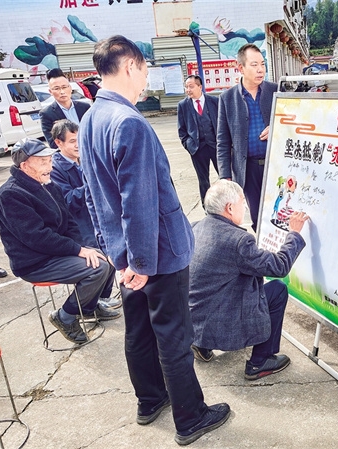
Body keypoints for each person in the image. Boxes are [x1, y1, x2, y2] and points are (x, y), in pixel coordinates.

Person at [78, 35, 230, 446]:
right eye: (145, 69)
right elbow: (139, 202)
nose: (146, 78)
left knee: (139, 331)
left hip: (126, 253)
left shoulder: (91, 118)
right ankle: (190, 417)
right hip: (155, 254)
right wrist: (141, 263)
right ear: (131, 66)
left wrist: (118, 255)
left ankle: (150, 400)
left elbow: (94, 196)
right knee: (173, 336)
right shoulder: (128, 122)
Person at [0, 139, 119, 344]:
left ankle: (89, 306)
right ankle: (65, 316)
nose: (49, 166)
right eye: (42, 162)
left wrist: (84, 247)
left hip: (55, 252)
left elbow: (69, 222)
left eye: (50, 160)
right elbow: (37, 237)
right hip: (35, 262)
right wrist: (77, 250)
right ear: (25, 165)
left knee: (106, 254)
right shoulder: (11, 194)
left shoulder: (48, 185)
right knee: (98, 268)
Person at [188, 180, 309, 380]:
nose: (244, 208)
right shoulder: (239, 241)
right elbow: (279, 267)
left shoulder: (195, 227)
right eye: (242, 202)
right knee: (277, 289)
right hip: (222, 322)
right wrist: (294, 234)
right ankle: (260, 361)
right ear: (229, 208)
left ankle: (201, 344)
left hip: (194, 320)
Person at [50, 119, 121, 310]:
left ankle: (102, 297)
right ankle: (91, 304)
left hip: (95, 218)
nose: (78, 145)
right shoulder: (55, 169)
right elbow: (67, 201)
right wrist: (91, 184)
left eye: (80, 140)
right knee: (100, 258)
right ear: (58, 143)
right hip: (77, 226)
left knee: (112, 250)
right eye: (72, 141)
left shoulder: (84, 159)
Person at [217, 43, 280, 231]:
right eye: (254, 65)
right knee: (258, 217)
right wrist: (225, 176)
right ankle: (263, 247)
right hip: (248, 169)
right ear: (241, 68)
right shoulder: (227, 98)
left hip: (275, 165)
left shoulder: (276, 91)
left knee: (280, 211)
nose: (261, 69)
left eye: (262, 64)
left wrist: (278, 127)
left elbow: (294, 121)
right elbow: (223, 141)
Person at [177, 75, 219, 207]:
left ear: (200, 87)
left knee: (225, 176)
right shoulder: (183, 105)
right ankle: (207, 206)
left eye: (191, 86)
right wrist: (188, 144)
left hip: (216, 145)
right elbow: (182, 130)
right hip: (197, 148)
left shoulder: (214, 101)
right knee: (203, 180)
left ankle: (228, 202)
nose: (188, 90)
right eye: (186, 87)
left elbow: (223, 123)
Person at [40, 68, 91, 148]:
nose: (62, 92)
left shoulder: (85, 107)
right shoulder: (47, 114)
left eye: (64, 87)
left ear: (70, 88)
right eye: (57, 88)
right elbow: (53, 143)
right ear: (50, 92)